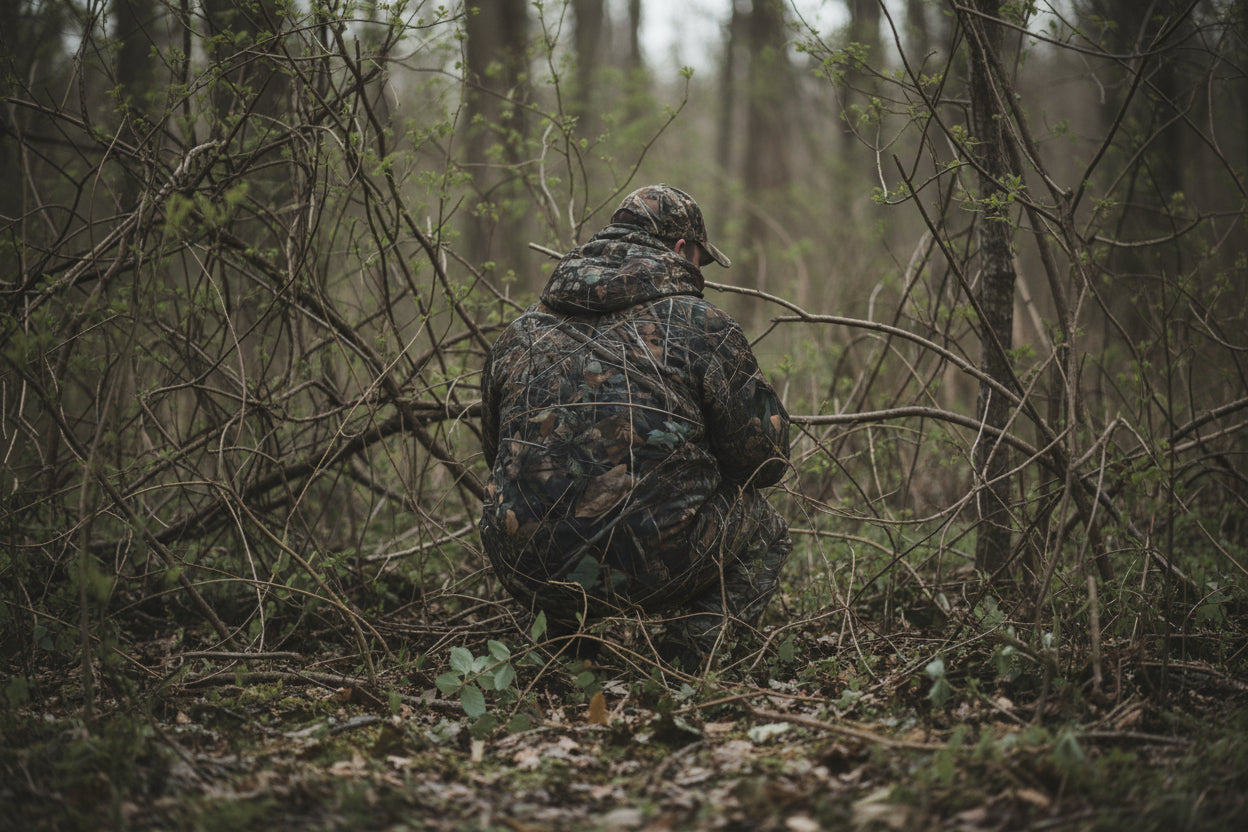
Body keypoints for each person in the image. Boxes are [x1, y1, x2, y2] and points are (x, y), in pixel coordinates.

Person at [478, 184, 791, 670]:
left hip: (526, 566)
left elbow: (496, 452)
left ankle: (562, 654)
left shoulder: (520, 332)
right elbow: (766, 462)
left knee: (538, 506)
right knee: (765, 528)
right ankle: (686, 661)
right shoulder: (705, 326)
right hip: (651, 565)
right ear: (682, 249)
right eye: (702, 261)